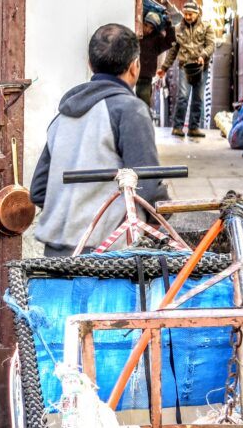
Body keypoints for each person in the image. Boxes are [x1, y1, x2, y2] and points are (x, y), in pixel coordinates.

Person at [30, 23, 166, 257]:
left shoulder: (62, 117)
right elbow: (148, 188)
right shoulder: (130, 110)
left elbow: (39, 190)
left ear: (90, 64)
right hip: (107, 255)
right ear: (134, 67)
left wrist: (71, 217)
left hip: (54, 255)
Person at [157, 0, 216, 138]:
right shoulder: (177, 29)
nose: (188, 17)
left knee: (198, 98)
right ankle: (177, 127)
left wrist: (203, 55)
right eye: (185, 14)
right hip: (184, 67)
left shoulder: (207, 27)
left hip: (202, 67)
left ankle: (193, 128)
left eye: (191, 14)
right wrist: (164, 67)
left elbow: (211, 45)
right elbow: (173, 50)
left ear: (197, 13)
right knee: (183, 97)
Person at [137, 10, 175, 109]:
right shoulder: (134, 35)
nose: (148, 29)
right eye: (146, 25)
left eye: (151, 28)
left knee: (143, 106)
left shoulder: (156, 39)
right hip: (129, 76)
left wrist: (169, 25)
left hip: (145, 77)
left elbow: (170, 42)